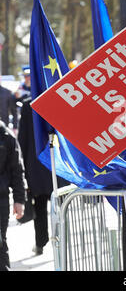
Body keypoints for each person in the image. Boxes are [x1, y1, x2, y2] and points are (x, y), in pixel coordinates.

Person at [18, 97, 69, 255]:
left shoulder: (29, 105)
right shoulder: (58, 100)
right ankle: (59, 241)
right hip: (54, 165)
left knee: (41, 207)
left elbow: (23, 139)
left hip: (39, 164)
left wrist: (24, 168)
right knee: (58, 206)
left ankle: (41, 242)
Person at [0, 119, 26, 271]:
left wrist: (19, 200)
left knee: (0, 245)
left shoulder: (6, 136)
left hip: (1, 200)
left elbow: (17, 170)